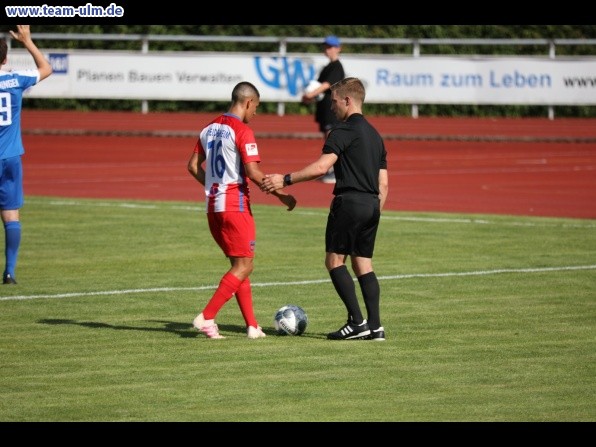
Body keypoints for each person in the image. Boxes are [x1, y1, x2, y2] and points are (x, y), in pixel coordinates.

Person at [262, 77, 388, 341]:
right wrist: (374, 211)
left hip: (349, 202)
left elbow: (321, 168)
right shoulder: (376, 135)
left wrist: (284, 179)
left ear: (347, 100)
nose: (331, 108)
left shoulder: (342, 131)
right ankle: (376, 327)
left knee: (334, 261)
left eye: (333, 102)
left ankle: (356, 322)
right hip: (372, 204)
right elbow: (383, 183)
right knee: (363, 263)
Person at [187, 81, 297, 339]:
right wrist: (283, 196)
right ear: (248, 102)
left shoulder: (208, 128)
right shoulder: (242, 130)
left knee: (240, 265)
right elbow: (254, 172)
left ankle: (252, 326)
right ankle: (207, 316)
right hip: (235, 205)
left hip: (212, 207)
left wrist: (214, 186)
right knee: (244, 265)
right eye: (256, 107)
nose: (255, 113)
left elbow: (193, 166)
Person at [1, 25, 53, 285]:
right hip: (10, 157)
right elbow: (46, 68)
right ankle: (10, 270)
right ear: (5, 58)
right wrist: (27, 41)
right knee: (11, 215)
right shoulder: (15, 80)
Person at [301, 35, 345, 184]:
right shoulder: (327, 67)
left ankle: (334, 171)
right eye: (326, 46)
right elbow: (319, 86)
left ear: (338, 48)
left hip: (332, 109)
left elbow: (326, 85)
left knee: (331, 139)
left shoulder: (336, 66)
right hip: (325, 108)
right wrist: (310, 97)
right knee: (328, 139)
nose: (327, 49)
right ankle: (332, 170)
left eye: (331, 46)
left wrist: (310, 94)